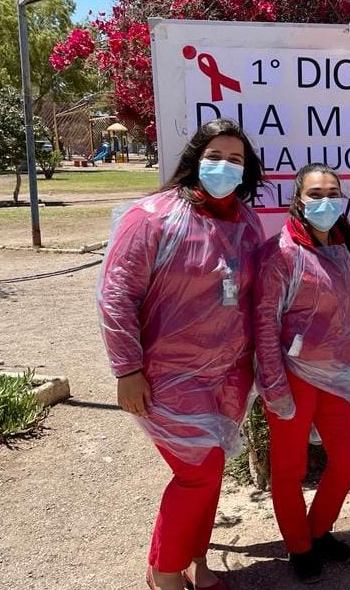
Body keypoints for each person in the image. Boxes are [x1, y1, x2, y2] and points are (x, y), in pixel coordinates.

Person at [97, 119, 265, 590]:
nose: (224, 166)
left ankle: (194, 558)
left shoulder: (248, 223)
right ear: (194, 159)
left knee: (210, 472)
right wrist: (127, 370)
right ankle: (164, 573)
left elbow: (254, 297)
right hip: (167, 374)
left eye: (235, 159)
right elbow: (116, 296)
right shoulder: (151, 217)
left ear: (247, 169)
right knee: (199, 472)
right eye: (215, 156)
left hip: (229, 372)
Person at [253, 163, 350, 583]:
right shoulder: (280, 253)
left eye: (333, 193)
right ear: (298, 201)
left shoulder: (342, 244)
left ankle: (317, 531)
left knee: (348, 459)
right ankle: (298, 546)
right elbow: (264, 323)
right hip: (293, 376)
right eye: (315, 194)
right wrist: (274, 386)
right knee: (289, 469)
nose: (325, 202)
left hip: (336, 373)